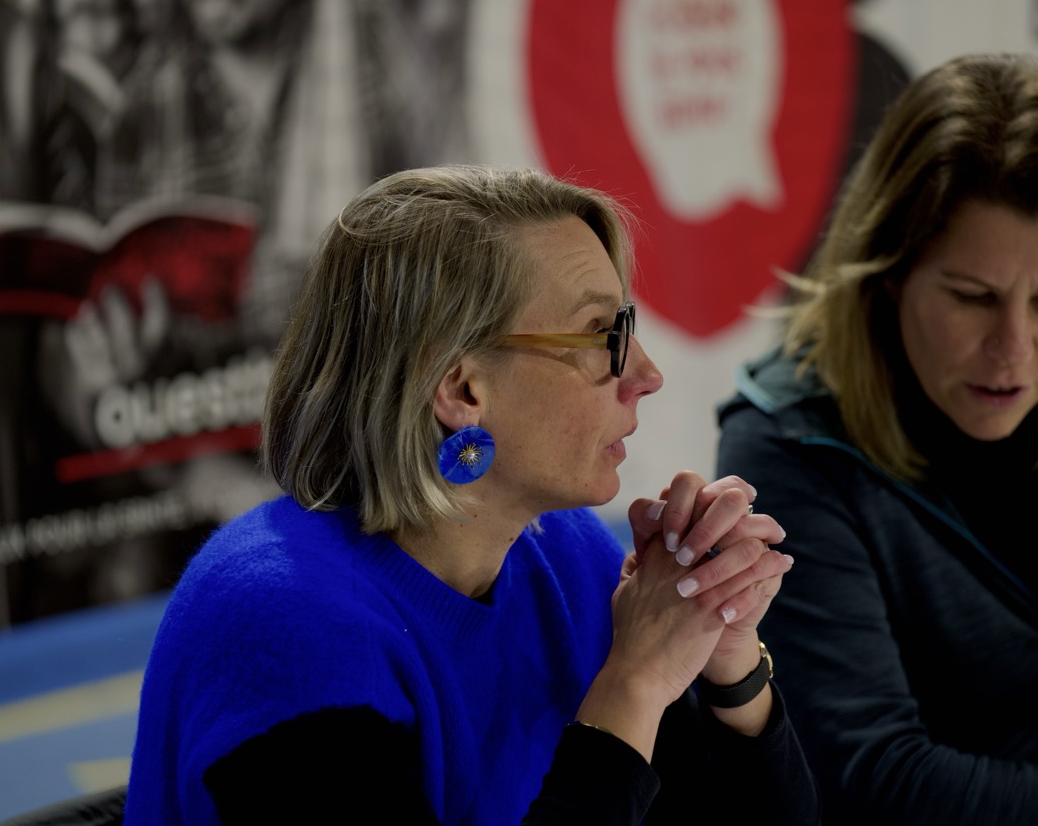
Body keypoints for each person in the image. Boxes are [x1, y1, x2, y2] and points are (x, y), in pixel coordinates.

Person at [125, 164, 821, 824]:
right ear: (462, 389)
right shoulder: (282, 618)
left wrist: (724, 655)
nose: (646, 373)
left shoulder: (567, 553)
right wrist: (634, 681)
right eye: (601, 334)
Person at [717, 52, 1038, 824]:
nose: (1015, 348)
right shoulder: (787, 442)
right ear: (887, 274)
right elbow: (875, 777)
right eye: (973, 296)